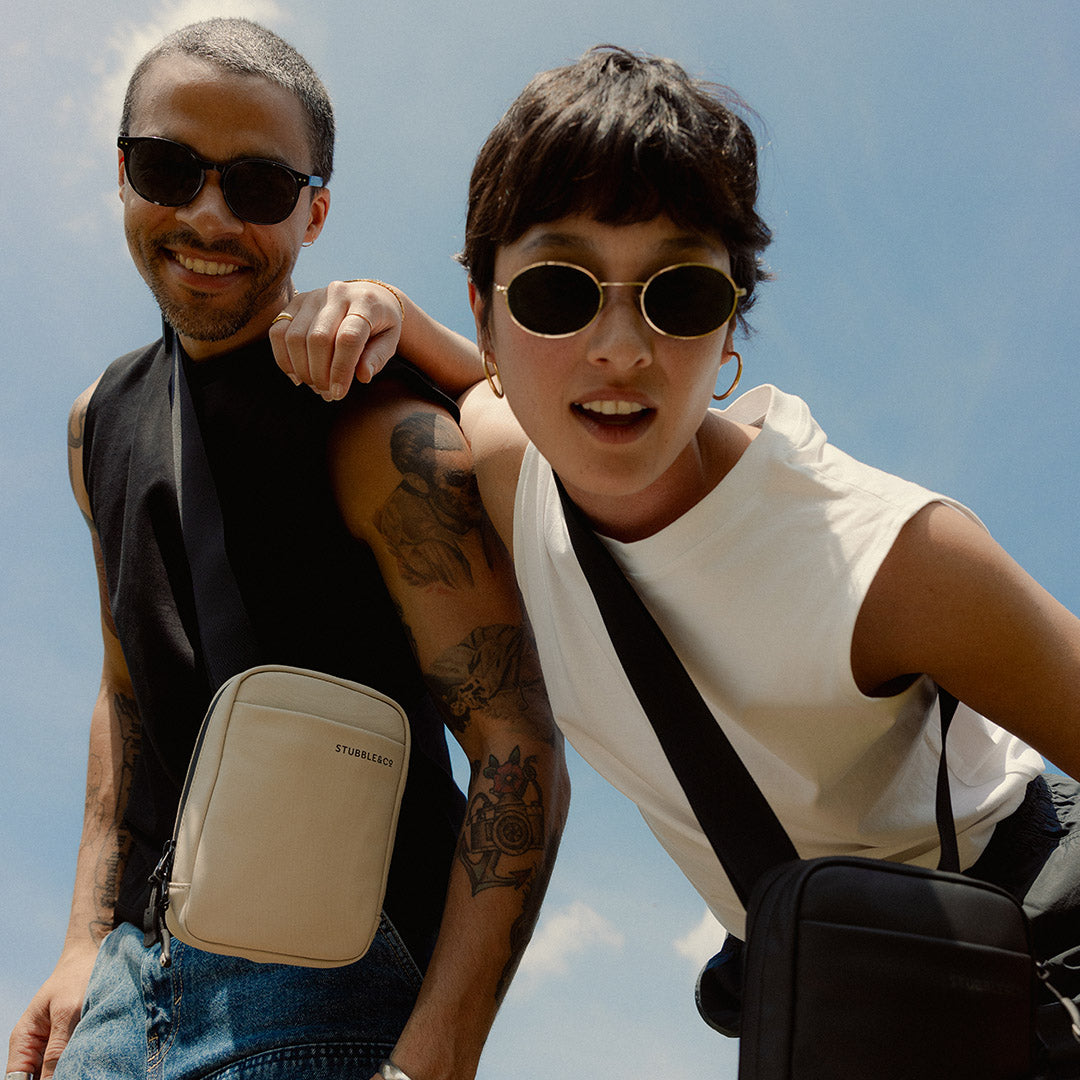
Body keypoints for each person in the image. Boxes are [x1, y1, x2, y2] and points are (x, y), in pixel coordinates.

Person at [280, 45, 1080, 1069]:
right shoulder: (503, 457)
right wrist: (380, 304)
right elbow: (475, 375)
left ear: (733, 322)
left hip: (1017, 948)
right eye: (560, 293)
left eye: (682, 294)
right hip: (824, 981)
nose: (619, 348)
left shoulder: (891, 557)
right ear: (485, 310)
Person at [6, 18, 568, 1080]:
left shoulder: (375, 421)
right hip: (126, 992)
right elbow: (124, 691)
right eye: (169, 168)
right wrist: (84, 940)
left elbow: (517, 745)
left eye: (258, 187)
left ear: (314, 212)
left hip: (334, 977)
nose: (208, 214)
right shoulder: (98, 426)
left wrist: (436, 1059)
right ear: (122, 173)